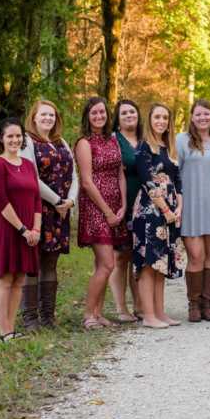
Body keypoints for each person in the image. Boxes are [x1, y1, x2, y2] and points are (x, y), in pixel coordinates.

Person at [19, 100, 78, 330]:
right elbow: (31, 177)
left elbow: (75, 175)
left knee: (51, 262)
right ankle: (30, 318)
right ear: (34, 117)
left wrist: (70, 201)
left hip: (61, 212)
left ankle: (48, 317)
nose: (47, 119)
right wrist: (57, 201)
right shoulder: (27, 142)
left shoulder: (60, 141)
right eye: (43, 115)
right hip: (39, 209)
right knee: (33, 262)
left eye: (51, 115)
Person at [0, 118, 42, 342]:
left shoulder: (28, 165)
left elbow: (37, 198)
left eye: (18, 136)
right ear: (1, 138)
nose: (15, 140)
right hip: (6, 229)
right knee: (5, 279)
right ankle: (4, 332)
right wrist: (22, 230)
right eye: (10, 136)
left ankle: (12, 330)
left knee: (19, 279)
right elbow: (1, 201)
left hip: (29, 231)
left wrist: (35, 229)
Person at [75, 96, 128, 330]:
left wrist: (123, 205)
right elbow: (86, 181)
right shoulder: (84, 143)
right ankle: (88, 315)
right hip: (96, 208)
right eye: (94, 113)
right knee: (107, 264)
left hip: (116, 206)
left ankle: (98, 313)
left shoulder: (113, 140)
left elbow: (120, 175)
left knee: (103, 264)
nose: (98, 116)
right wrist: (107, 211)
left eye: (102, 112)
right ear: (87, 116)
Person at [132, 103, 185, 328]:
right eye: (157, 117)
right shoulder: (144, 147)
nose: (161, 121)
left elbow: (179, 181)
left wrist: (178, 208)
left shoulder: (169, 148)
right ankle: (148, 315)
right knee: (149, 263)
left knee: (162, 263)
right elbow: (147, 181)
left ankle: (160, 313)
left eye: (165, 117)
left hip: (171, 212)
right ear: (150, 120)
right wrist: (165, 209)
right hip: (150, 211)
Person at [177, 99, 210, 323]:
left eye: (207, 114)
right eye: (198, 114)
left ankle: (208, 304)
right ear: (191, 117)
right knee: (196, 256)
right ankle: (193, 304)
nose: (202, 118)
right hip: (191, 206)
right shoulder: (182, 140)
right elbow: (173, 172)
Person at [109, 99, 142, 323]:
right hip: (121, 202)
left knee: (139, 256)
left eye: (132, 111)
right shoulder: (113, 140)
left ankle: (140, 305)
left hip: (146, 204)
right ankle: (121, 308)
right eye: (124, 113)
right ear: (118, 118)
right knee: (120, 257)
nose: (129, 115)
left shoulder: (145, 138)